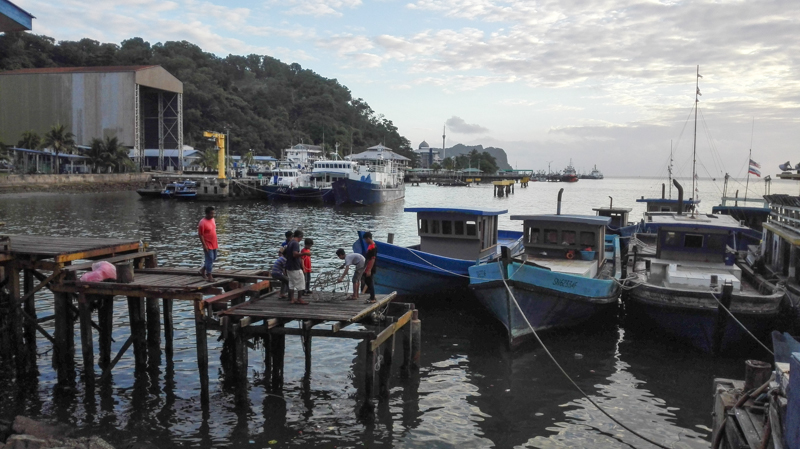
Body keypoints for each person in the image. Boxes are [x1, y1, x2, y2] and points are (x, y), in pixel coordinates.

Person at [284, 230, 308, 305]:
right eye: (301, 237)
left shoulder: (290, 242)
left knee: (291, 283)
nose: (301, 239)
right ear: (300, 236)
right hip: (295, 267)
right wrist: (304, 253)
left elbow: (284, 253)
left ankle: (292, 299)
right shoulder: (295, 243)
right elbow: (295, 254)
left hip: (289, 266)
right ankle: (299, 298)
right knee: (301, 282)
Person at [198, 206, 218, 281]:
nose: (213, 215)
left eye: (213, 213)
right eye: (211, 213)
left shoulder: (213, 220)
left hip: (214, 242)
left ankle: (203, 270)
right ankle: (209, 276)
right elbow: (200, 234)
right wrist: (204, 245)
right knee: (209, 259)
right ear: (207, 214)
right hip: (207, 244)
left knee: (214, 257)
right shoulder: (202, 222)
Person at [362, 232, 377, 303]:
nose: (365, 241)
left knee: (369, 281)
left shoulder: (373, 247)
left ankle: (372, 298)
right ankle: (372, 296)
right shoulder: (370, 246)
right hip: (368, 266)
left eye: (365, 239)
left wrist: (369, 269)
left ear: (368, 238)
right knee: (367, 280)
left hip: (370, 266)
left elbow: (373, 259)